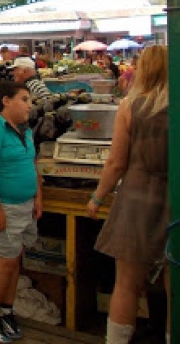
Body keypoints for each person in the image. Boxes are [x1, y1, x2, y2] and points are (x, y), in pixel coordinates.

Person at [87, 45, 170, 344]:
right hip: (173, 202)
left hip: (136, 200)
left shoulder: (130, 106)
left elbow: (116, 162)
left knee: (127, 285)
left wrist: (97, 197)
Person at [0, 81, 43, 343]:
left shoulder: (25, 131)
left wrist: (38, 197)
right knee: (3, 264)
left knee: (15, 261)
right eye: (24, 99)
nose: (29, 105)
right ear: (6, 101)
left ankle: (6, 311)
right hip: (3, 207)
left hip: (24, 206)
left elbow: (33, 165)